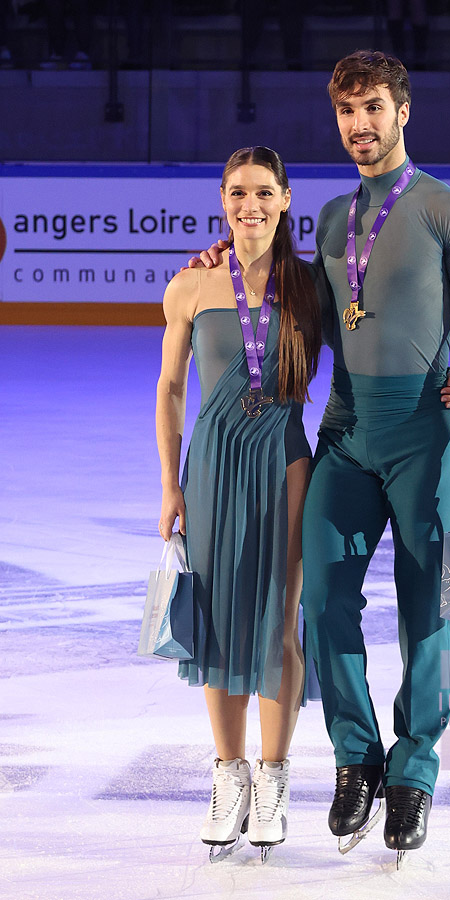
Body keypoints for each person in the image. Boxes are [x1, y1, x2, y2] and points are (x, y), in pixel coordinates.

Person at [299, 50, 450, 861]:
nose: (360, 124)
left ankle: (414, 771)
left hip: (426, 434)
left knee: (428, 610)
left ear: (403, 112)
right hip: (346, 436)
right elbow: (308, 324)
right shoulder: (325, 220)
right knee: (323, 601)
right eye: (348, 110)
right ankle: (357, 759)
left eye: (374, 107)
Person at [156, 146, 322, 860]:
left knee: (280, 620)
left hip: (284, 464)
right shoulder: (190, 286)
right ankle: (230, 777)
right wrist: (169, 484)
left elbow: (375, 353)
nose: (248, 205)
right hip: (212, 471)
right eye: (236, 193)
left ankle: (275, 778)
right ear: (223, 200)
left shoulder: (311, 286)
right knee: (221, 624)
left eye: (262, 192)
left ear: (286, 199)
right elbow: (168, 390)